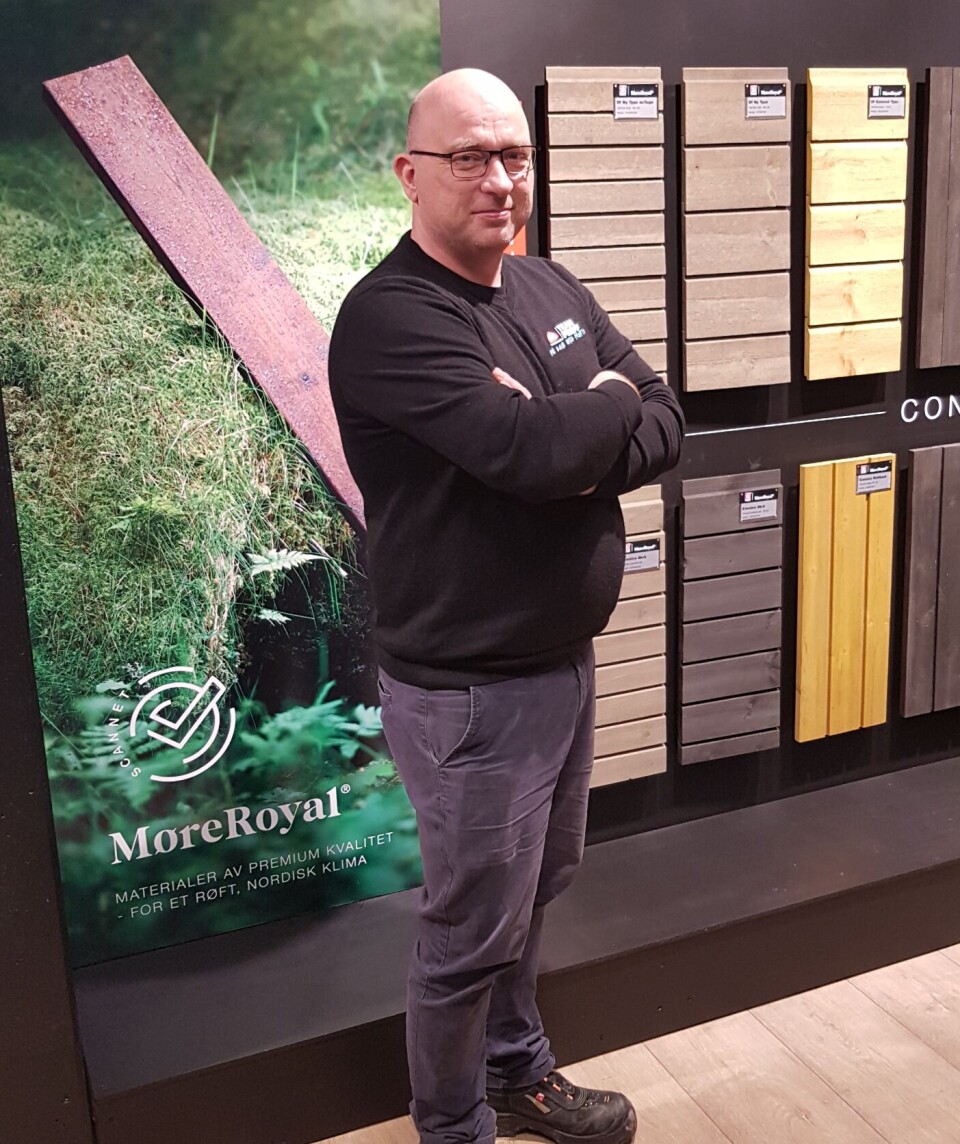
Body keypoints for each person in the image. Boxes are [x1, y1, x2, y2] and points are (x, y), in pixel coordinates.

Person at [328, 67, 684, 1144]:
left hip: (563, 666)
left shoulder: (549, 288)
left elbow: (663, 414)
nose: (499, 179)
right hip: (471, 695)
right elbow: (526, 454)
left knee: (532, 895)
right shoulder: (391, 319)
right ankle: (454, 1126)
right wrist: (588, 420)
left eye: (515, 155)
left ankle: (519, 1072)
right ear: (411, 173)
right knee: (469, 933)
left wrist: (590, 421)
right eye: (470, 156)